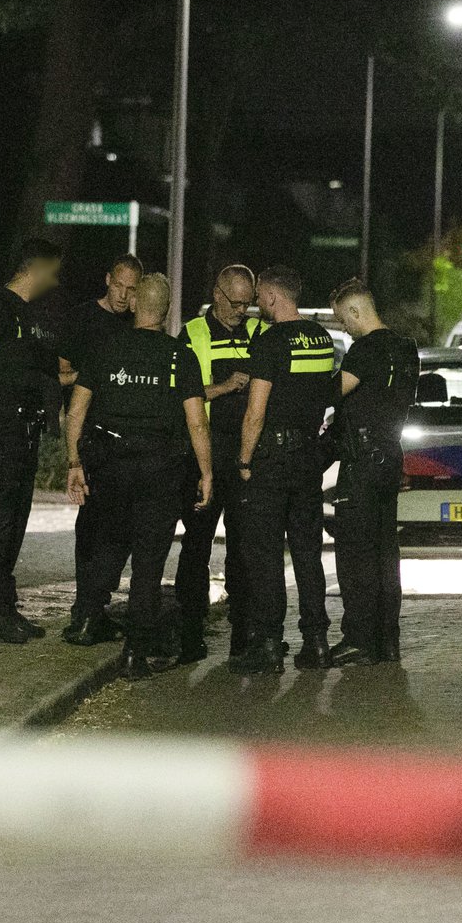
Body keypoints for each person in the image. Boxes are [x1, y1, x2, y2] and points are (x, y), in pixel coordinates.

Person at [63, 274, 212, 679]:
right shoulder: (180, 356)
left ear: (134, 304)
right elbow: (196, 422)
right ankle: (135, 652)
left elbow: (75, 411)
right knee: (149, 562)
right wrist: (206, 472)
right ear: (166, 311)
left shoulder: (106, 348)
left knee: (106, 546)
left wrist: (74, 462)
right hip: (161, 471)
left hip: (110, 467)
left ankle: (87, 620)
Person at [0, 239, 67, 643]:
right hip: (1, 428)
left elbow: (45, 374)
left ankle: (6, 608)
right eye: (52, 272)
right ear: (36, 268)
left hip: (27, 431)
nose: (55, 281)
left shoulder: (31, 315)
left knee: (16, 522)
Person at [232, 265, 336, 674]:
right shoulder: (322, 338)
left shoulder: (271, 342)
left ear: (274, 296)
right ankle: (317, 642)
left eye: (260, 295)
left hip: (273, 460)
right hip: (308, 457)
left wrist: (244, 460)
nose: (257, 302)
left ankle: (269, 645)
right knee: (308, 554)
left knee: (267, 555)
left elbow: (255, 412)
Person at [173, 264, 265, 661]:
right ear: (216, 293)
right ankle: (190, 635)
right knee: (196, 548)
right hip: (203, 458)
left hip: (245, 460)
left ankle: (242, 638)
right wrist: (226, 387)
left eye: (248, 303)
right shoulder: (192, 334)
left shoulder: (259, 333)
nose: (242, 311)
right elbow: (181, 395)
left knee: (243, 551)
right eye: (235, 302)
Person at [325, 278, 419, 666]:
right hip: (390, 458)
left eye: (343, 319)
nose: (344, 327)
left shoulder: (365, 350)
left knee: (355, 554)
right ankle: (387, 640)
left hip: (361, 463)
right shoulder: (407, 349)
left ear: (355, 311)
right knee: (385, 553)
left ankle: (359, 640)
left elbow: (333, 391)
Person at [61, 254, 145, 645]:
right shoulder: (81, 319)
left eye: (132, 290)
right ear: (107, 279)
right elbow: (60, 374)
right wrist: (94, 374)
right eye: (119, 286)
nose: (124, 296)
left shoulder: (136, 322)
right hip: (91, 433)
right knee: (93, 525)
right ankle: (86, 609)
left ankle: (94, 606)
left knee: (120, 526)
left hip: (124, 437)